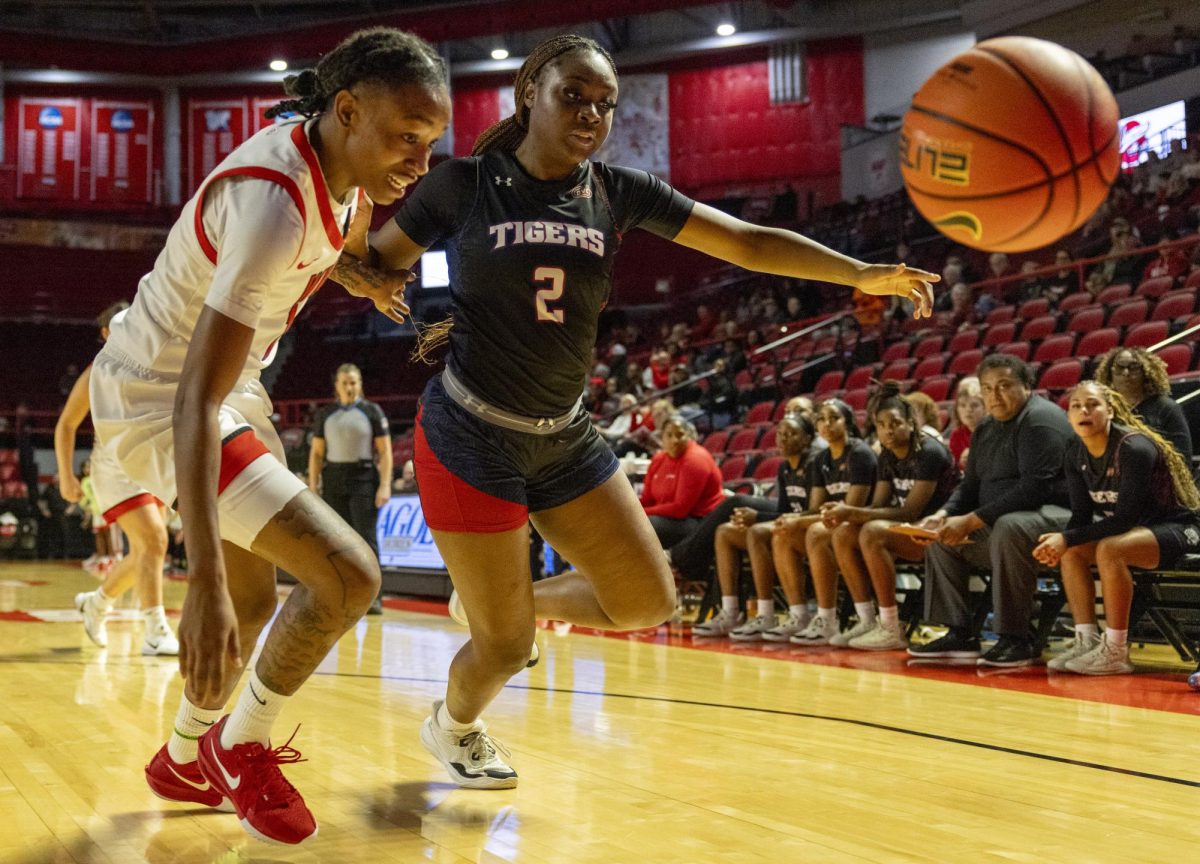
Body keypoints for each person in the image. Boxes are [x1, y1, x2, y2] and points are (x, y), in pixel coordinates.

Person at [349, 34, 937, 788]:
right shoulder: (463, 184)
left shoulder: (619, 192)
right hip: (471, 434)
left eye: (604, 104)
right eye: (573, 96)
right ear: (530, 92)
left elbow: (748, 242)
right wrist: (354, 265)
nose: (592, 114)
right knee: (501, 648)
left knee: (645, 599)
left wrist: (861, 272)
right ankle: (455, 726)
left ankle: (502, 609)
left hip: (564, 435)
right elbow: (377, 261)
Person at [87, 28, 450, 844]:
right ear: (348, 111)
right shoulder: (273, 202)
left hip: (221, 384)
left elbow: (328, 252)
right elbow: (191, 397)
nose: (418, 164)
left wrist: (364, 279)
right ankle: (239, 742)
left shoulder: (343, 175)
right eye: (406, 138)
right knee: (349, 574)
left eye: (430, 144)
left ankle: (183, 757)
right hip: (163, 396)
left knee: (259, 601)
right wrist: (200, 576)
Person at [909, 355, 1073, 667]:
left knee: (1009, 526)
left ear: (1026, 386)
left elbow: (1034, 490)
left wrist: (970, 521)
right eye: (987, 389)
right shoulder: (985, 427)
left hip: (1060, 517)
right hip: (1005, 523)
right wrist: (943, 514)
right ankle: (959, 632)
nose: (994, 396)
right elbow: (969, 487)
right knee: (941, 537)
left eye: (1004, 386)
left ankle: (1018, 637)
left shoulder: (1040, 421)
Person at [1033, 382, 1200, 674]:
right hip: (1133, 533)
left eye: (1093, 404)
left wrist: (1065, 537)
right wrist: (1063, 542)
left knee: (1111, 549)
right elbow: (1082, 516)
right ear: (1069, 416)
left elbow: (1124, 518)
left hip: (1179, 528)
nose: (1084, 410)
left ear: (1110, 410)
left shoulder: (1134, 447)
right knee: (1071, 552)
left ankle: (1116, 651)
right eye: (1076, 406)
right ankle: (1086, 640)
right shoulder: (1074, 452)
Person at [56, 302, 178, 655]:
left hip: (149, 464)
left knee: (147, 549)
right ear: (106, 335)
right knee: (154, 542)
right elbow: (66, 423)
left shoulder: (156, 363)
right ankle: (154, 630)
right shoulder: (98, 371)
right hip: (114, 467)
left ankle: (97, 602)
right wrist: (66, 475)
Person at [821, 382, 959, 650]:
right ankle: (867, 620)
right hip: (911, 532)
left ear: (911, 422)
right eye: (881, 425)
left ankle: (891, 627)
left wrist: (851, 511)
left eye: (894, 423)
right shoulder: (886, 455)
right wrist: (846, 515)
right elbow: (878, 505)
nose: (888, 430)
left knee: (872, 532)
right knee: (844, 532)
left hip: (940, 534)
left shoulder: (929, 452)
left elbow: (911, 511)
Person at [692, 414, 815, 638]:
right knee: (726, 532)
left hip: (808, 527)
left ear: (807, 439)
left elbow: (810, 511)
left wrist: (757, 517)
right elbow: (784, 511)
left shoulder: (814, 465)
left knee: (757, 532)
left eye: (792, 434)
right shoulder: (785, 468)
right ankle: (730, 612)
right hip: (787, 525)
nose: (784, 439)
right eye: (781, 434)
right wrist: (757, 516)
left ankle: (768, 613)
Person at [781, 399, 878, 645]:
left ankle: (836, 618)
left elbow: (850, 510)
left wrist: (802, 520)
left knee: (814, 531)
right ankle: (798, 616)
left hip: (860, 523)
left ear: (848, 422)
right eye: (821, 419)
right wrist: (791, 519)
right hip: (834, 524)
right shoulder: (821, 459)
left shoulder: (859, 453)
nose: (827, 424)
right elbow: (815, 507)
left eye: (833, 418)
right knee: (783, 532)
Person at [307, 363, 392, 615]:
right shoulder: (325, 414)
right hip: (333, 478)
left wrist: (385, 485)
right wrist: (313, 485)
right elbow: (317, 454)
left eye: (353, 382)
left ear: (360, 383)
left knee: (366, 538)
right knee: (336, 541)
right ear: (337, 386)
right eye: (344, 382)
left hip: (363, 478)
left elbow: (386, 452)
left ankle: (374, 598)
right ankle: (340, 594)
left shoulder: (372, 411)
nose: (349, 387)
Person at [1094, 347, 1192, 465]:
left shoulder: (1166, 407)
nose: (1126, 373)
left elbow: (1183, 457)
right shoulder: (1103, 410)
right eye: (1120, 368)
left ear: (1145, 372)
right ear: (1110, 374)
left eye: (1133, 367)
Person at [638, 415, 724, 547]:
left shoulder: (695, 459)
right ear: (662, 438)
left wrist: (641, 513)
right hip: (669, 517)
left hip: (700, 521)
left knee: (646, 525)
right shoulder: (658, 459)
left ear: (689, 436)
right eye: (669, 435)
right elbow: (647, 499)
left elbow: (680, 508)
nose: (675, 440)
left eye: (680, 435)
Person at [948, 376, 985, 470]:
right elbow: (954, 468)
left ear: (985, 408)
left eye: (974, 405)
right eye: (962, 405)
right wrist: (961, 463)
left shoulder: (995, 430)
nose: (968, 410)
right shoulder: (956, 434)